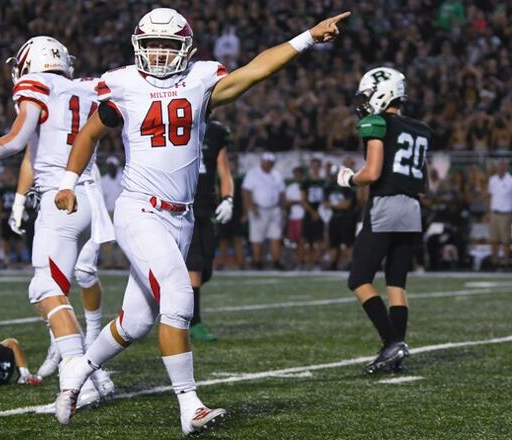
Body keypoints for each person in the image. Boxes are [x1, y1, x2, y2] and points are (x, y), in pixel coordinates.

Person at [53, 7, 350, 434]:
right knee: (178, 292)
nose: (157, 54)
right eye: (151, 44)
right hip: (138, 208)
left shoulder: (201, 79)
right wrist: (67, 180)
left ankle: (78, 370)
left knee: (136, 320)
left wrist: (306, 37)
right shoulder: (123, 85)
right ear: (138, 47)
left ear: (185, 49)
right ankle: (189, 404)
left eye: (166, 45)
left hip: (183, 215)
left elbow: (255, 71)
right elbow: (89, 133)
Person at [0, 36, 116, 409]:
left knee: (44, 290)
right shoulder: (85, 88)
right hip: (85, 196)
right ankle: (91, 372)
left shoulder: (36, 85)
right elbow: (36, 150)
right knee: (57, 291)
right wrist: (21, 198)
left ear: (28, 62)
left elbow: (17, 140)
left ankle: (79, 377)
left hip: (60, 200)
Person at [337, 66, 432, 374]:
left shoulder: (375, 122)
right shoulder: (419, 128)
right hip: (412, 208)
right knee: (396, 284)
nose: (365, 102)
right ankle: (397, 350)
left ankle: (392, 342)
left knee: (359, 279)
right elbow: (424, 183)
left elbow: (373, 172)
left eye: (368, 95)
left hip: (387, 205)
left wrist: (350, 179)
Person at [9, 148, 111, 377]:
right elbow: (30, 154)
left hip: (82, 182)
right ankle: (58, 343)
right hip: (50, 186)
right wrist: (19, 199)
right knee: (48, 281)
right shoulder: (38, 113)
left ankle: (93, 342)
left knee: (84, 271)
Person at [185, 120, 234, 342]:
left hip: (208, 205)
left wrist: (228, 199)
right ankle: (194, 322)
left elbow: (224, 170)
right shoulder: (180, 122)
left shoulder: (216, 131)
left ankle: (176, 302)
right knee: (194, 266)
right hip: (184, 204)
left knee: (205, 270)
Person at [242, 153, 286, 269]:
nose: (268, 165)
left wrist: (283, 208)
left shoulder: (276, 175)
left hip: (274, 209)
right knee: (257, 238)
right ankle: (258, 262)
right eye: (266, 162)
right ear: (262, 161)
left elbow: (282, 193)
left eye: (270, 163)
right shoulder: (253, 174)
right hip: (258, 209)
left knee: (276, 236)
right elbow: (247, 192)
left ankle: (276, 262)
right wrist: (250, 207)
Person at [325, 159, 358, 270]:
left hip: (347, 217)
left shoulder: (347, 186)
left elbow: (347, 205)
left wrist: (333, 205)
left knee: (348, 242)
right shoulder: (328, 187)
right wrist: (338, 205)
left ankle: (351, 263)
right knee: (333, 242)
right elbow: (325, 204)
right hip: (335, 217)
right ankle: (333, 263)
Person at [300, 157, 326, 269]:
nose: (315, 168)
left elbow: (326, 199)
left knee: (319, 240)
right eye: (313, 166)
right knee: (307, 240)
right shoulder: (306, 182)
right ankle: (307, 261)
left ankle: (317, 261)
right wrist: (312, 212)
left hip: (321, 212)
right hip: (309, 212)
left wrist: (321, 212)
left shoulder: (324, 182)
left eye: (317, 166)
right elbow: (303, 200)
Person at [487, 160, 512, 268]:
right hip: (494, 212)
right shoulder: (493, 180)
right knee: (493, 239)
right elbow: (491, 196)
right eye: (499, 167)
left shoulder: (510, 180)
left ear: (505, 168)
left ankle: (506, 261)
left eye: (502, 167)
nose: (501, 169)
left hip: (505, 213)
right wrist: (488, 212)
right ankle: (494, 261)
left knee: (505, 240)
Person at [284, 166, 307, 268]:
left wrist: (296, 202)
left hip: (303, 216)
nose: (297, 176)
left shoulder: (306, 186)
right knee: (295, 241)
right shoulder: (291, 188)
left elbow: (304, 202)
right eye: (296, 174)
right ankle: (298, 260)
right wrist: (297, 202)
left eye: (299, 174)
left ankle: (302, 260)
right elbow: (287, 203)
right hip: (293, 217)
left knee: (303, 240)